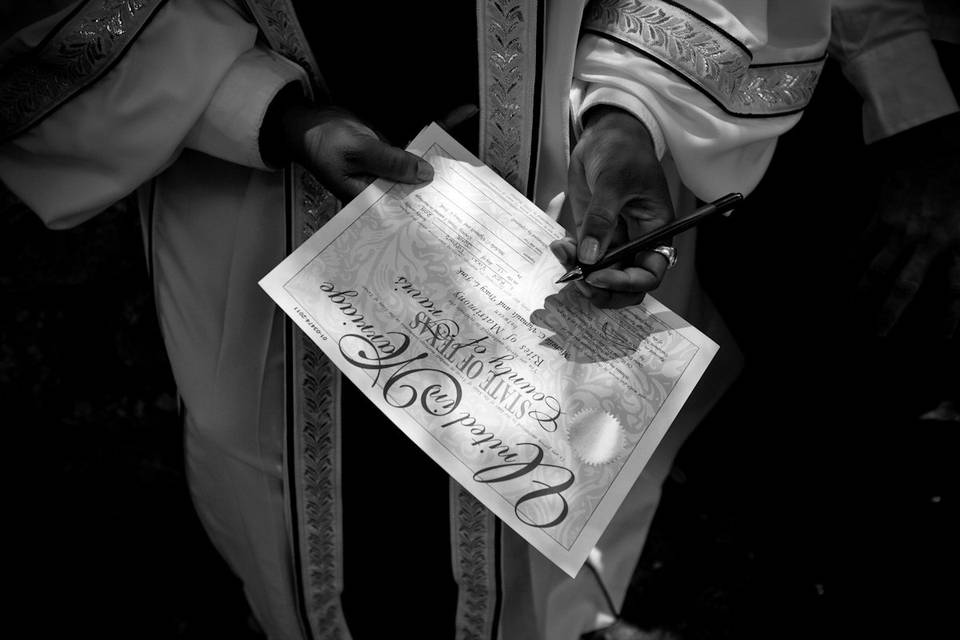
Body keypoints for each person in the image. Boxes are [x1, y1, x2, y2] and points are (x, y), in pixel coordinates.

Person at [0, 1, 841, 638]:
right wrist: (259, 107)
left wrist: (632, 115)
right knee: (288, 486)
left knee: (546, 471)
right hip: (253, 173)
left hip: (557, 151)